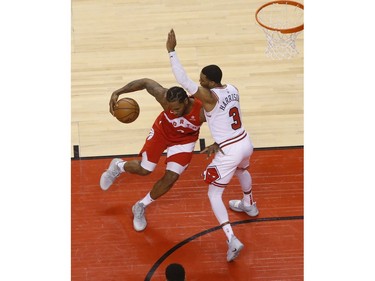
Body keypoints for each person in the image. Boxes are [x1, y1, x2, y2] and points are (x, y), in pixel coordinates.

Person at [166, 29, 259, 262]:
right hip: (244, 141)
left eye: (203, 79)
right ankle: (249, 205)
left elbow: (182, 80)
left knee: (214, 193)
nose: (199, 82)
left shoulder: (209, 96)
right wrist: (217, 143)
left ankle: (231, 239)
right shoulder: (233, 88)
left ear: (210, 81)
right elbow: (226, 120)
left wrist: (171, 52)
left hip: (231, 149)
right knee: (242, 169)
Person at [100, 78, 205, 231]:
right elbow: (146, 83)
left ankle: (140, 205)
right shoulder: (164, 97)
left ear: (186, 102)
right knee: (145, 169)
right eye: (170, 108)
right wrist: (118, 92)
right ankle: (118, 166)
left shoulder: (202, 111)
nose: (173, 112)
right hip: (162, 132)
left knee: (171, 177)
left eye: (176, 109)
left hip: (184, 141)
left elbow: (221, 121)